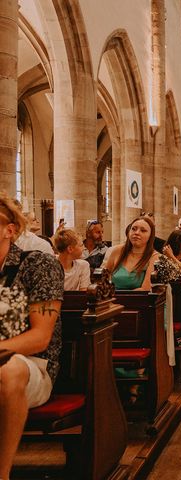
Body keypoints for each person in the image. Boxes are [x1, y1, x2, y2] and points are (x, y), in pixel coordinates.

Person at [0, 195, 64, 479]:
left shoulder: (36, 264)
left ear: (9, 230)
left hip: (32, 365)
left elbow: (40, 337)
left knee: (8, 370)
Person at [104, 216, 160, 290]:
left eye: (143, 230)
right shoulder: (117, 251)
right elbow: (104, 279)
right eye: (133, 229)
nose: (136, 233)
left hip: (138, 300)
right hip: (112, 298)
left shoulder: (155, 257)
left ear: (150, 236)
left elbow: (146, 289)